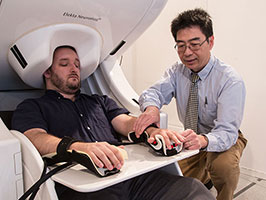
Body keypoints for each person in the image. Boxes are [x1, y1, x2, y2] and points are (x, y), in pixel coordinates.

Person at [12, 45, 214, 200]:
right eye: (64, 64)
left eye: (76, 64)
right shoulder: (32, 107)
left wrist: (152, 131)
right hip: (85, 189)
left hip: (128, 177)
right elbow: (34, 137)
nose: (74, 69)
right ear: (47, 72)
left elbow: (126, 123)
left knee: (193, 189)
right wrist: (77, 148)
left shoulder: (99, 101)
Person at [133, 8, 247, 200]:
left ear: (210, 42)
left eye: (194, 44)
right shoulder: (177, 72)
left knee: (223, 167)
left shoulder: (229, 80)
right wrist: (152, 108)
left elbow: (227, 132)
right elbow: (153, 92)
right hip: (191, 137)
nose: (187, 53)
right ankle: (204, 174)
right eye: (180, 45)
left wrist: (203, 141)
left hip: (224, 138)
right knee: (171, 176)